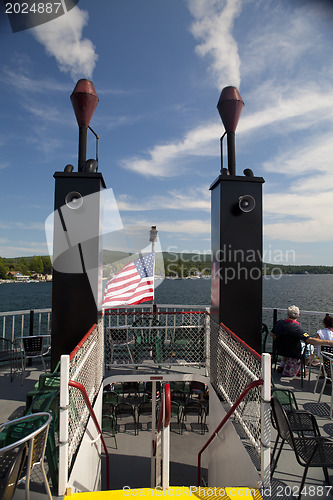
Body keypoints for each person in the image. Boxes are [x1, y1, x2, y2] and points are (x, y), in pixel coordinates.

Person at [270, 305, 333, 377]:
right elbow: (310, 340)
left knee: (287, 343)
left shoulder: (279, 323)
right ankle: (302, 369)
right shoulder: (297, 328)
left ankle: (281, 365)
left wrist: (279, 339)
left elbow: (272, 333)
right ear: (298, 316)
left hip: (280, 350)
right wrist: (328, 342)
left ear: (287, 314)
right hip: (293, 352)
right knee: (310, 347)